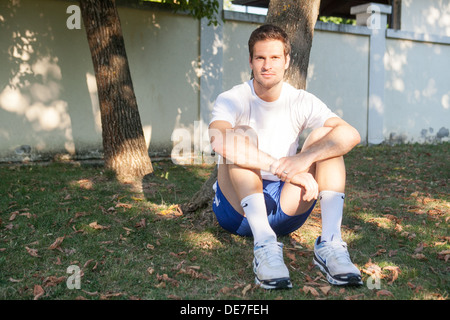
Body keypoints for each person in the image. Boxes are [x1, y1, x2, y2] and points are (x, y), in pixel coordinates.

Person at [208, 24, 362, 290]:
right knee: (240, 134)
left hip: (286, 208)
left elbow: (351, 135)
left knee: (327, 136)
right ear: (251, 61)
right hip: (237, 212)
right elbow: (218, 139)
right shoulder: (233, 98)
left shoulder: (300, 100)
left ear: (287, 60)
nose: (267, 65)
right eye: (260, 58)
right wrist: (282, 168)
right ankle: (264, 246)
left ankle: (330, 244)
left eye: (275, 57)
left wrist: (305, 159)